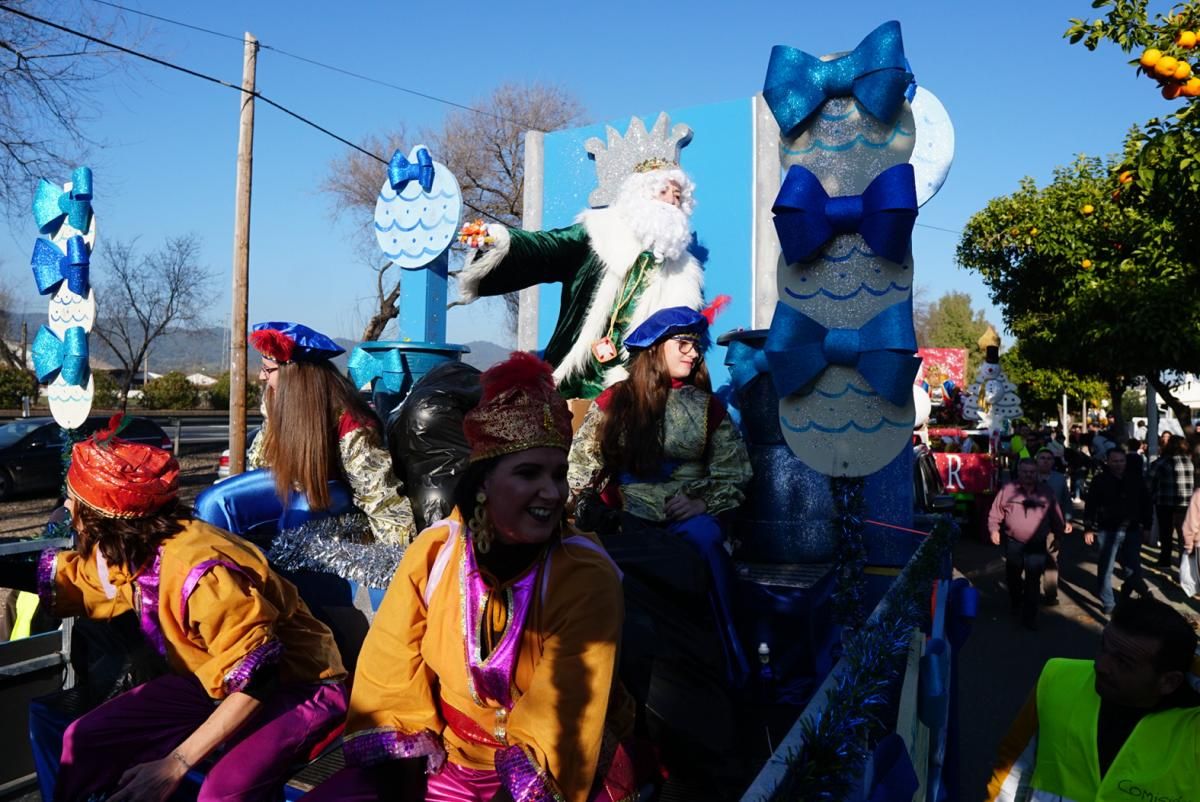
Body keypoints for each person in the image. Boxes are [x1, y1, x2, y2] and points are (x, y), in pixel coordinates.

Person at [306, 352, 644, 802]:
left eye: (558, 474)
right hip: (449, 757)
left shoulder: (584, 574)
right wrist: (409, 756)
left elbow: (560, 717)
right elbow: (390, 666)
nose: (552, 491)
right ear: (483, 481)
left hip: (548, 774)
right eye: (528, 472)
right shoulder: (435, 551)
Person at [15, 421, 348, 801]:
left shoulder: (202, 570)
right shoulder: (133, 551)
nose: (67, 508)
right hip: (213, 679)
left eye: (73, 500)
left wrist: (175, 763)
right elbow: (77, 581)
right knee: (84, 739)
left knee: (222, 790)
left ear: (100, 519)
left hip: (299, 685)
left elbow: (260, 677)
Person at [568, 304, 752, 684]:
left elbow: (734, 474)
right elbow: (581, 467)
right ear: (654, 348)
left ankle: (724, 661)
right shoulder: (613, 402)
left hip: (687, 528)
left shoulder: (709, 408)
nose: (694, 352)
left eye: (696, 345)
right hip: (625, 528)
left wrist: (703, 504)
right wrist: (583, 506)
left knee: (703, 540)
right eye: (683, 343)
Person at [454, 161, 705, 398]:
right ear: (640, 195)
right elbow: (548, 247)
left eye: (678, 196)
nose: (673, 200)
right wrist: (501, 240)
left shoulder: (683, 273)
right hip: (578, 372)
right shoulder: (600, 234)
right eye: (665, 191)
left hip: (635, 382)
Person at [194, 321, 416, 545]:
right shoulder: (276, 406)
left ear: (295, 377)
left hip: (335, 507)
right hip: (291, 492)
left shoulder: (350, 424)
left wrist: (401, 562)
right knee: (212, 503)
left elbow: (381, 498)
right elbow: (261, 466)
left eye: (268, 370)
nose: (262, 377)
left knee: (300, 511)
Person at [987, 597, 1199, 802]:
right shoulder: (1057, 677)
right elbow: (1012, 768)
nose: (1101, 666)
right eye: (1104, 647)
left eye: (1124, 663)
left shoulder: (1192, 728)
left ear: (1170, 681)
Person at [988, 458, 1067, 630]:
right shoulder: (1008, 490)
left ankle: (1029, 617)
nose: (1028, 475)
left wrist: (1058, 536)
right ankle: (1016, 602)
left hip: (1037, 544)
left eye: (1032, 472)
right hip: (1013, 543)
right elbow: (996, 512)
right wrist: (994, 529)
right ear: (1019, 472)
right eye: (1025, 471)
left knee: (1033, 579)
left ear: (1037, 472)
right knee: (1013, 576)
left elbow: (1056, 516)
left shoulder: (1046, 491)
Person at [1084, 448, 1153, 615]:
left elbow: (1146, 504)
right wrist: (1088, 528)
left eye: (1121, 461)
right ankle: (1108, 602)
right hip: (1107, 531)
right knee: (1106, 568)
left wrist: (1148, 527)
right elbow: (1091, 505)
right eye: (1115, 461)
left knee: (1133, 568)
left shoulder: (1136, 479)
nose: (1118, 464)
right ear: (1108, 461)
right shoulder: (1100, 480)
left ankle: (1131, 594)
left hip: (1132, 530)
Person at [1034, 448, 1073, 607]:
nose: (1045, 461)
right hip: (1031, 527)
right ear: (1037, 460)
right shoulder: (1029, 476)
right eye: (1042, 458)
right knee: (1032, 560)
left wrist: (1068, 520)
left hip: (1052, 526)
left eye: (1049, 458)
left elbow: (1066, 500)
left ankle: (1050, 594)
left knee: (1051, 561)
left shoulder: (1059, 478)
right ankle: (1032, 591)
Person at [1149, 434, 1193, 569]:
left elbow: (1150, 481)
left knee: (1166, 533)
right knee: (1183, 535)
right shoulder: (1191, 462)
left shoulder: (1161, 462)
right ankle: (1184, 563)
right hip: (1186, 503)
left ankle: (1165, 561)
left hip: (1164, 503)